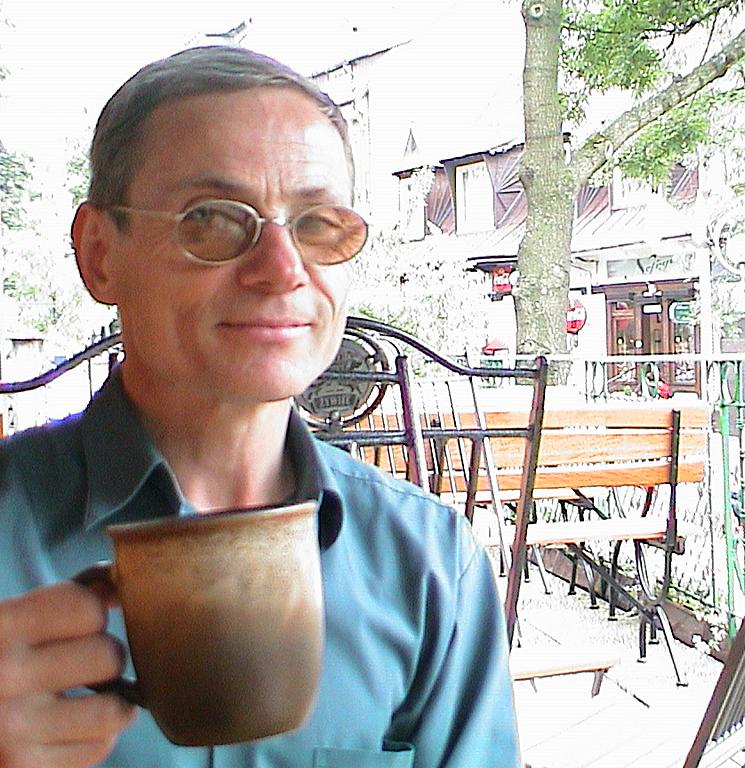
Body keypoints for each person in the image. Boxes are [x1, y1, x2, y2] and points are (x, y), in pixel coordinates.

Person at [0, 46, 520, 767]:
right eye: (212, 220)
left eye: (318, 224)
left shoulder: (429, 564)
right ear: (99, 254)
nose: (282, 271)